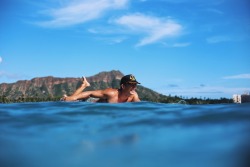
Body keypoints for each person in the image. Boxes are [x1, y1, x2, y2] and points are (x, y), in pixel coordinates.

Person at [61, 74, 141, 103]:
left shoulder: (134, 96)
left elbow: (141, 107)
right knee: (69, 101)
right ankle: (83, 85)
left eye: (135, 85)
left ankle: (84, 84)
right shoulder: (111, 93)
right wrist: (71, 98)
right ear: (123, 86)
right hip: (91, 102)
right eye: (131, 85)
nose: (134, 87)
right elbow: (90, 93)